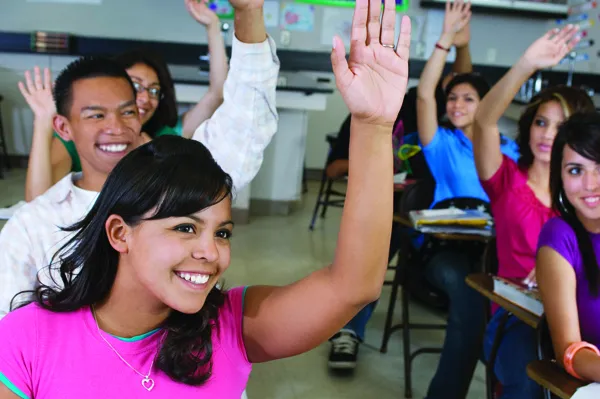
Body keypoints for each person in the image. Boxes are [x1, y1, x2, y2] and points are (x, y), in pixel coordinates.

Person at [0, 0, 413, 396]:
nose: (211, 252)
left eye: (223, 233)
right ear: (119, 233)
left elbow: (353, 286)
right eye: (185, 227)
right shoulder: (28, 335)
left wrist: (373, 126)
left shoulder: (228, 325)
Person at [0, 0, 280, 318]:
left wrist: (249, 13)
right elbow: (10, 333)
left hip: (175, 355)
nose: (116, 128)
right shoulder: (34, 224)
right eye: (96, 115)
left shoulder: (179, 187)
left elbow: (245, 126)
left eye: (127, 111)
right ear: (64, 127)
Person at [326, 28, 474, 369]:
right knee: (370, 252)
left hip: (443, 221)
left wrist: (461, 42)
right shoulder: (361, 112)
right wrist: (376, 162)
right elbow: (333, 169)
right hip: (392, 213)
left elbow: (466, 84)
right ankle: (347, 331)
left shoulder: (430, 111)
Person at [473, 25, 590, 398]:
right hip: (520, 320)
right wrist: (527, 63)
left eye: (561, 126)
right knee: (529, 381)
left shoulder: (585, 196)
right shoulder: (506, 179)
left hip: (582, 323)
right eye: (541, 122)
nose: (547, 134)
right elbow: (483, 121)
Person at [415, 1, 522, 397]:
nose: (456, 105)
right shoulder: (442, 145)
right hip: (447, 253)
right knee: (471, 298)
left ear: (486, 108)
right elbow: (426, 97)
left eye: (468, 99)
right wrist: (447, 41)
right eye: (453, 99)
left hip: (499, 254)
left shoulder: (510, 153)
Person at [21, 0, 228, 202]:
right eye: (135, 87)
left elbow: (217, 92)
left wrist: (213, 26)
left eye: (154, 90)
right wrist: (42, 122)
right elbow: (37, 203)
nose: (145, 98)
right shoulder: (78, 135)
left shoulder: (164, 137)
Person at [536, 112, 600, 384]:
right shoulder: (560, 236)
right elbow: (569, 351)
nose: (590, 184)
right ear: (559, 177)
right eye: (576, 170)